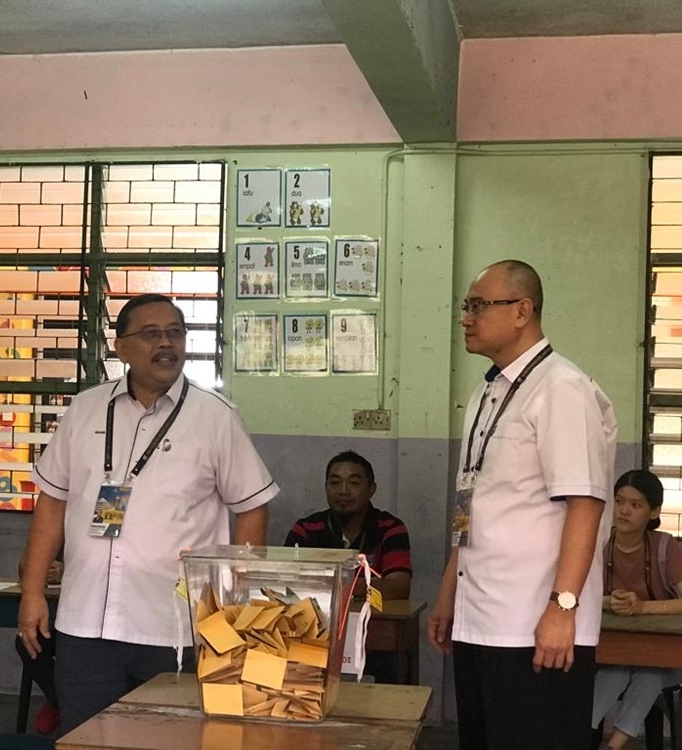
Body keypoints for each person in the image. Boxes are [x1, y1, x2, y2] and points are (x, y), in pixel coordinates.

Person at [18, 293, 278, 733]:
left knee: (172, 742)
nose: (167, 344)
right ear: (119, 347)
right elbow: (53, 501)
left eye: (175, 333)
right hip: (86, 625)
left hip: (174, 628)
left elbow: (252, 506)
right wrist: (32, 592)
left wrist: (232, 602)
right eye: (151, 334)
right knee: (87, 739)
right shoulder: (85, 408)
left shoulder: (215, 417)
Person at [426, 260, 618, 750]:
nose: (466, 318)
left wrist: (562, 609)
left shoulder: (562, 388)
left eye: (478, 306)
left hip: (535, 627)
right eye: (465, 307)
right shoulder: (486, 393)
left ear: (522, 311)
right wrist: (451, 590)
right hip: (481, 617)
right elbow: (473, 502)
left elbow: (585, 503)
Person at [591, 470, 682, 750]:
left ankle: (610, 744)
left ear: (654, 512)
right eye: (619, 501)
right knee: (616, 671)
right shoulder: (599, 542)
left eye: (636, 505)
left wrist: (643, 607)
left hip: (667, 658)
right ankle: (586, 734)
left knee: (650, 672)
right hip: (614, 652)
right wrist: (609, 602)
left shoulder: (666, 547)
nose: (624, 511)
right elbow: (576, 594)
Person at [284, 449, 411, 601]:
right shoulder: (306, 529)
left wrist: (349, 586)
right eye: (335, 483)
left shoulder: (390, 528)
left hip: (373, 619)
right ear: (326, 487)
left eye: (354, 483)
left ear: (371, 489)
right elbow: (286, 581)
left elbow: (400, 587)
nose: (343, 491)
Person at [15, 552, 62, 734]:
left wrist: (66, 571)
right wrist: (37, 568)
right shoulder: (59, 527)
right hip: (57, 617)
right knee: (27, 640)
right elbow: (23, 566)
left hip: (92, 622)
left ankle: (59, 702)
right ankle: (59, 700)